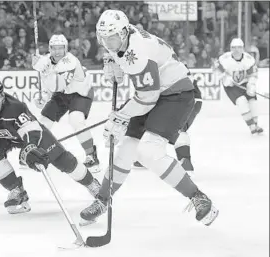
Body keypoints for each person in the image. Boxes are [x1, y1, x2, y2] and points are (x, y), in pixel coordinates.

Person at [79, 10, 219, 227]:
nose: (108, 43)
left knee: (149, 151)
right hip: (157, 93)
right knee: (126, 148)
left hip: (175, 94)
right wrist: (114, 61)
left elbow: (148, 98)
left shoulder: (138, 52)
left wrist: (120, 117)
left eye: (112, 38)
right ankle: (103, 199)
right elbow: (128, 54)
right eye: (103, 38)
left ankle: (198, 196)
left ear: (124, 33)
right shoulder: (126, 36)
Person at [0, 76, 101, 214]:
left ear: (3, 96)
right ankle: (16, 190)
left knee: (61, 159)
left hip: (30, 135)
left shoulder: (15, 107)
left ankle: (91, 183)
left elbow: (32, 131)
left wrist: (30, 148)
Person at [32, 34, 100, 173]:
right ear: (50, 49)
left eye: (60, 48)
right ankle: (34, 153)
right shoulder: (45, 60)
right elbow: (48, 86)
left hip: (80, 92)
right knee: (44, 122)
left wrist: (43, 69)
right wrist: (43, 97)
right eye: (54, 48)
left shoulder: (70, 62)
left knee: (76, 120)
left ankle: (91, 156)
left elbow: (58, 86)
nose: (57, 52)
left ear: (66, 49)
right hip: (62, 94)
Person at [134, 73, 203, 173]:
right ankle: (148, 156)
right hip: (176, 98)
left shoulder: (158, 65)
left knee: (177, 128)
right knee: (153, 124)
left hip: (184, 99)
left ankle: (185, 161)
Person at [214, 38, 263, 135]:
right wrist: (224, 78)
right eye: (234, 47)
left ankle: (256, 124)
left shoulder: (249, 59)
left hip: (245, 83)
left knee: (253, 102)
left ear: (243, 48)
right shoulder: (224, 59)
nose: (236, 50)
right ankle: (252, 127)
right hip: (231, 86)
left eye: (239, 47)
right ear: (230, 48)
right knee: (241, 102)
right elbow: (216, 69)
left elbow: (253, 74)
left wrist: (251, 84)